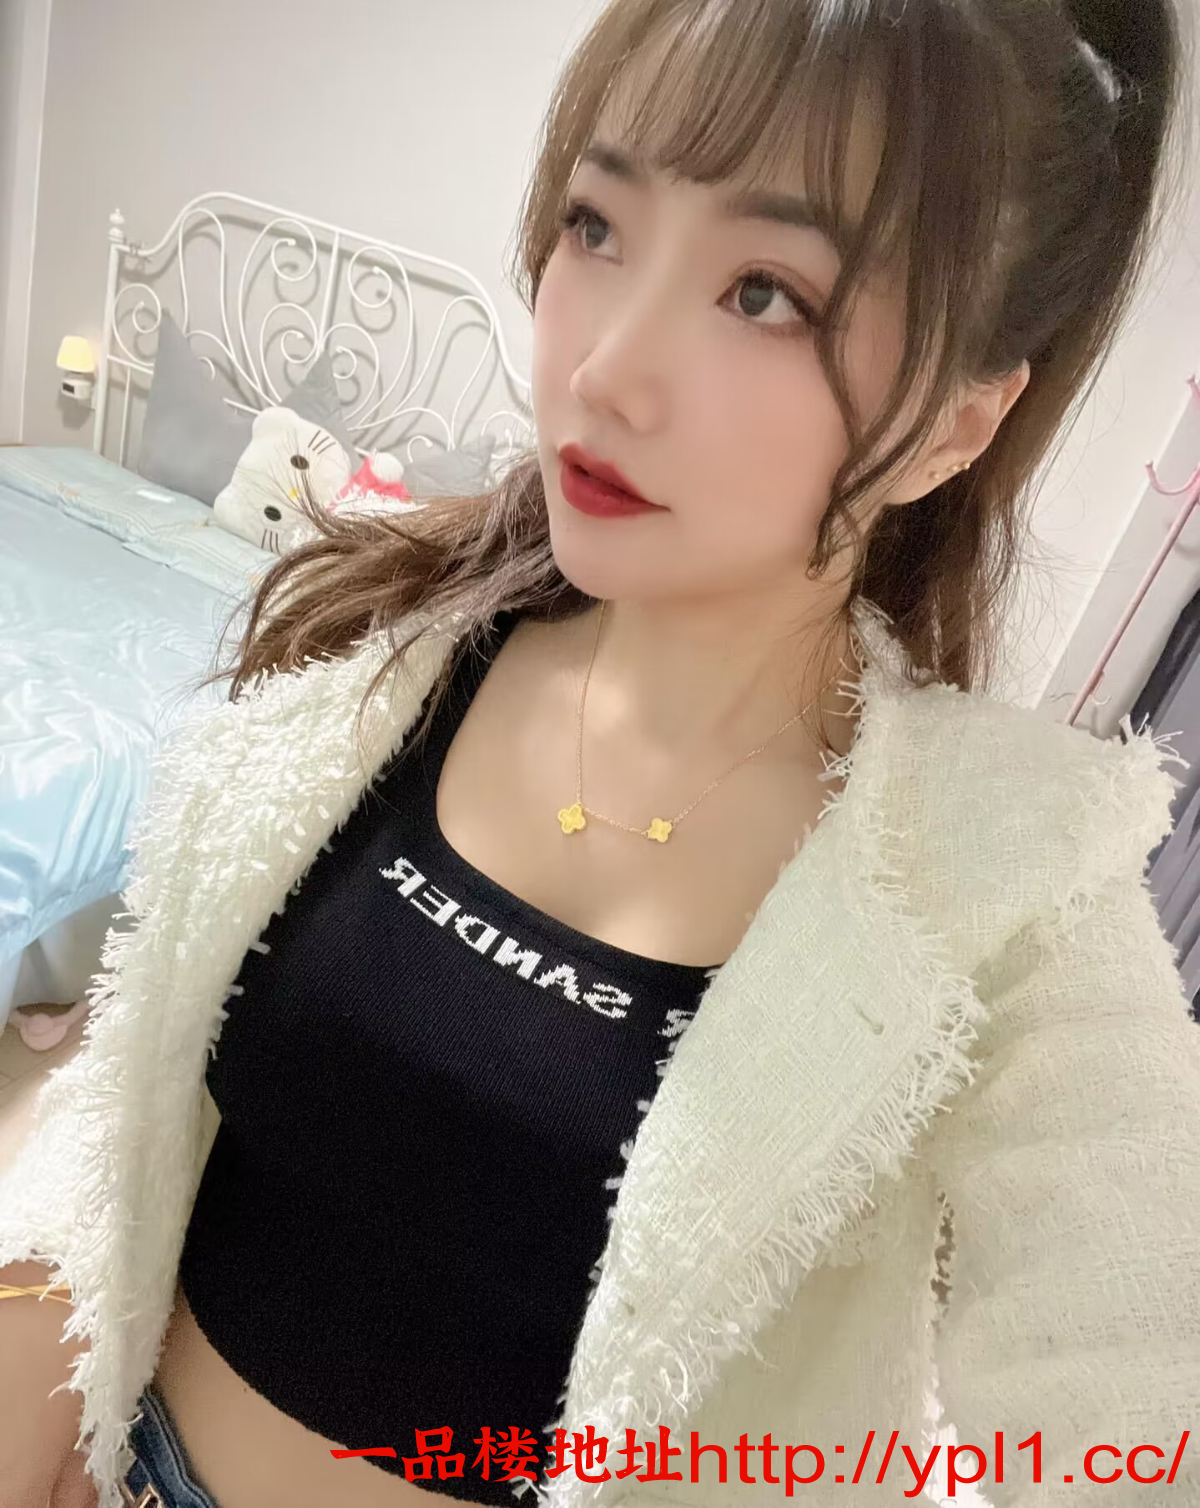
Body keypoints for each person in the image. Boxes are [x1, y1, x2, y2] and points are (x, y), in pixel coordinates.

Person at [3, 0, 1199, 1505]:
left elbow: (1138, 1394)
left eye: (767, 293)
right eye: (596, 226)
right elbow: (139, 1089)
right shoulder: (384, 653)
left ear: (958, 424)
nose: (605, 368)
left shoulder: (1009, 899)